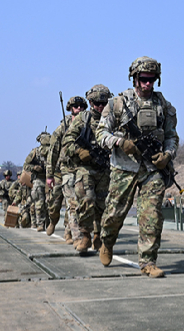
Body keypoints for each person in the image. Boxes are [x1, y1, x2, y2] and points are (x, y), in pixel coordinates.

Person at [96, 56, 179, 278]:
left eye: (152, 79)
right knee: (114, 214)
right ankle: (107, 241)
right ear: (134, 78)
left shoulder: (164, 106)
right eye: (143, 79)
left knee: (151, 215)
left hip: (151, 170)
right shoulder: (117, 104)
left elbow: (172, 137)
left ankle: (148, 261)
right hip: (124, 167)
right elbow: (100, 133)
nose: (147, 84)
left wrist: (167, 155)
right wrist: (120, 142)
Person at [61, 85, 113, 253]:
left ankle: (98, 234)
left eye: (104, 102)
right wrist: (79, 151)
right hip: (85, 168)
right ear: (91, 102)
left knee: (102, 205)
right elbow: (67, 140)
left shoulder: (112, 118)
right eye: (97, 102)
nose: (100, 106)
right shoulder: (83, 118)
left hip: (105, 168)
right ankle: (84, 235)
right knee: (86, 201)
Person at [46, 96, 87, 240]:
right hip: (62, 170)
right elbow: (53, 151)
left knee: (74, 202)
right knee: (55, 203)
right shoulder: (63, 127)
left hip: (81, 168)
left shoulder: (87, 124)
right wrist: (49, 175)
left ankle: (71, 233)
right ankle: (53, 220)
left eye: (82, 106)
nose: (79, 108)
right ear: (70, 108)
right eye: (76, 106)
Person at [23, 132, 51, 231]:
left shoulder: (53, 150)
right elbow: (25, 165)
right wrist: (34, 167)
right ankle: (40, 224)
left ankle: (48, 224)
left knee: (50, 203)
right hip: (39, 179)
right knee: (39, 203)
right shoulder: (35, 152)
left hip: (51, 179)